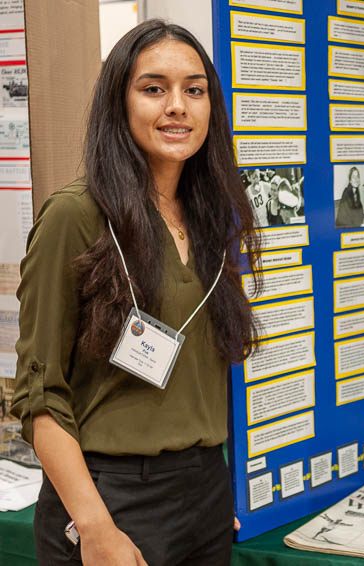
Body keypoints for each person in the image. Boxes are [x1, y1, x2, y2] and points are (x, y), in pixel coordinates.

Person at [10, 19, 261, 566]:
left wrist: (208, 494)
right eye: (154, 89)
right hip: (108, 497)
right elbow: (38, 394)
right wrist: (95, 527)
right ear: (118, 104)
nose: (177, 106)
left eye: (194, 90)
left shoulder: (214, 216)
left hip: (202, 495)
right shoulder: (75, 216)